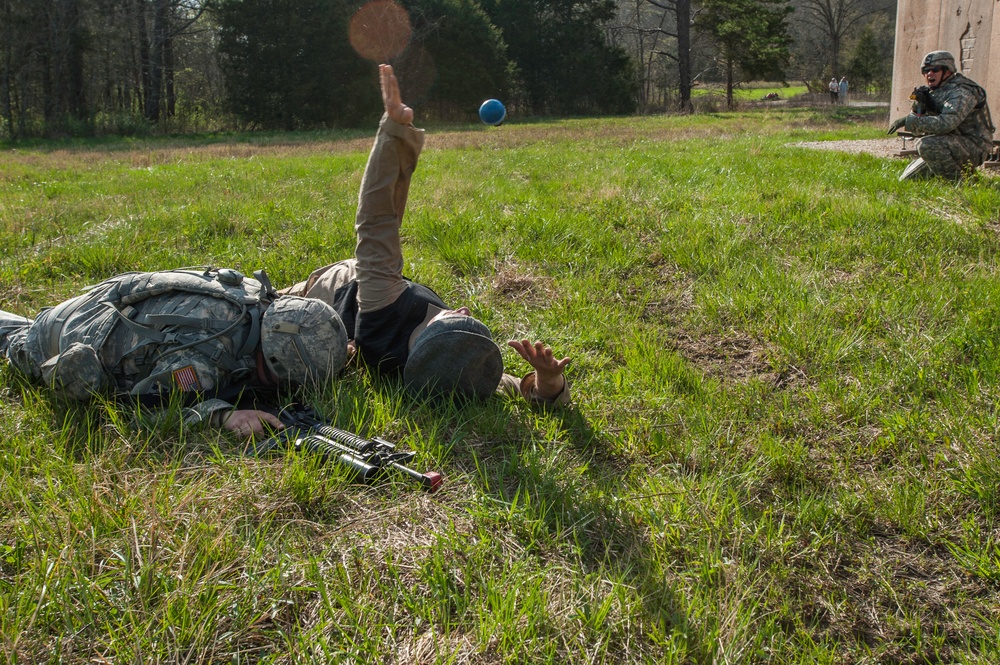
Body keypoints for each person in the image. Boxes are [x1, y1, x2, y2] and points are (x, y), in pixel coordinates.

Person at [282, 64, 571, 406]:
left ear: (429, 335)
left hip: (327, 289)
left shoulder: (383, 306)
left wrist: (393, 131)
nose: (464, 310)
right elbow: (521, 391)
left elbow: (377, 218)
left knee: (250, 305)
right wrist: (549, 380)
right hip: (357, 313)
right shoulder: (444, 367)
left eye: (457, 319)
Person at [0, 268, 349, 437]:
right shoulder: (201, 360)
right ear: (270, 362)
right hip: (58, 333)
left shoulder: (258, 306)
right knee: (13, 337)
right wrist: (221, 416)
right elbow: (142, 410)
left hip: (100, 307)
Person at [887, 50, 995, 181]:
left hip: (975, 147)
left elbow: (946, 123)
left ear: (948, 71)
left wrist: (910, 120)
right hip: (951, 144)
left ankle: (959, 185)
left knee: (927, 145)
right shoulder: (933, 92)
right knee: (907, 180)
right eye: (926, 71)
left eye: (935, 70)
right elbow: (917, 132)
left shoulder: (962, 91)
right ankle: (969, 177)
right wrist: (919, 108)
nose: (929, 74)